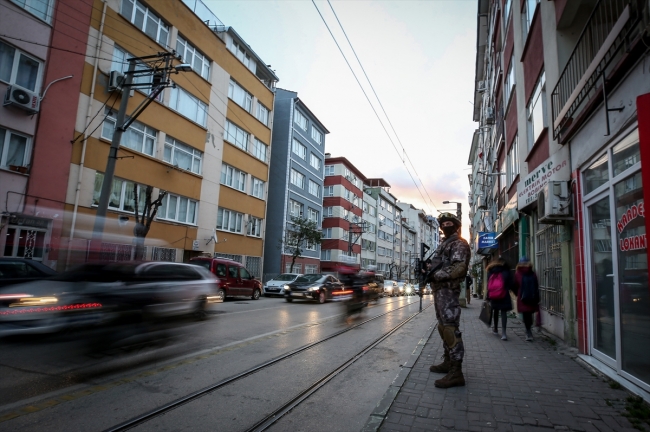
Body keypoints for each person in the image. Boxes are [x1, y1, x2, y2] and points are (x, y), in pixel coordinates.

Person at [426, 213, 471, 389]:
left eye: (449, 223)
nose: (445, 225)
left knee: (450, 328)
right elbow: (442, 264)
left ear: (456, 226)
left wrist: (438, 274)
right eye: (443, 223)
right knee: (443, 327)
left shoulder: (459, 243)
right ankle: (448, 361)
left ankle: (456, 372)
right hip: (440, 290)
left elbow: (459, 267)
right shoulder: (443, 244)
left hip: (448, 289)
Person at [486, 257, 516, 341]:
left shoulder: (490, 271)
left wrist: (488, 296)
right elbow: (511, 283)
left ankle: (495, 329)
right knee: (503, 312)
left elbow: (488, 285)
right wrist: (515, 292)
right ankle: (504, 333)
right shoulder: (506, 271)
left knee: (495, 311)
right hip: (504, 294)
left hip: (493, 295)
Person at [514, 257, 540, 341]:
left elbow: (515, 285)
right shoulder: (532, 272)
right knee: (530, 313)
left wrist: (517, 294)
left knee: (526, 315)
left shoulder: (518, 273)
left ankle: (528, 331)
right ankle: (529, 330)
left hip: (522, 297)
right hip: (532, 296)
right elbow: (536, 284)